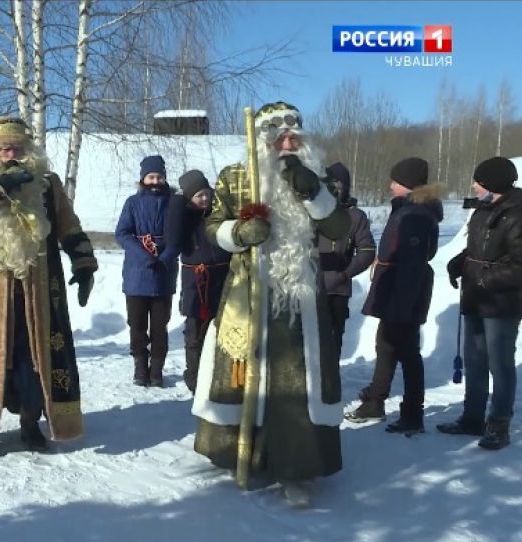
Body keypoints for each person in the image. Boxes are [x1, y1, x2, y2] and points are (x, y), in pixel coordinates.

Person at [191, 101, 348, 507]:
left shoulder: (318, 176)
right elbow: (212, 228)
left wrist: (313, 193)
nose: (289, 140)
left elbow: (338, 227)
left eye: (296, 132)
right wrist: (240, 233)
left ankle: (297, 466)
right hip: (249, 292)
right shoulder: (237, 177)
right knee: (243, 375)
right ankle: (238, 452)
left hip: (300, 298)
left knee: (297, 380)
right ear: (262, 139)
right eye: (280, 134)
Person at [0, 117, 97, 457]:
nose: (10, 152)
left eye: (16, 146)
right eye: (3, 148)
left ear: (27, 148)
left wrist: (84, 263)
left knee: (35, 357)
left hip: (38, 290)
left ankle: (31, 425)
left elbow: (68, 225)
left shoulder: (46, 183)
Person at [349, 157, 442, 433]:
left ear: (408, 184)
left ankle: (411, 412)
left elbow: (412, 263)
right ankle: (376, 401)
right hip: (397, 289)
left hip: (404, 292)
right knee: (387, 346)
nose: (390, 186)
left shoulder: (415, 214)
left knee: (407, 352)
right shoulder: (408, 209)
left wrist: (402, 305)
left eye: (395, 181)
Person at [440, 157, 521, 450]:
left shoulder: (517, 214)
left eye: (480, 181)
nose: (474, 186)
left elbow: (519, 264)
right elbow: (476, 248)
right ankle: (472, 418)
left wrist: (485, 278)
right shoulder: (482, 210)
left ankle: (499, 425)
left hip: (501, 303)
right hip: (475, 298)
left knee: (500, 365)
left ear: (494, 184)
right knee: (474, 362)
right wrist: (459, 262)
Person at [115, 155, 184, 387]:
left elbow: (179, 235)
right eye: (151, 176)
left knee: (159, 326)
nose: (155, 181)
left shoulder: (174, 202)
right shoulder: (132, 203)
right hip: (137, 273)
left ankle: (156, 371)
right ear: (143, 178)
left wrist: (164, 257)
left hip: (164, 273)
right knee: (137, 325)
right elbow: (123, 233)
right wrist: (144, 256)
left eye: (159, 177)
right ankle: (139, 368)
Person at [177, 170, 231, 394]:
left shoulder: (218, 216)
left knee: (220, 330)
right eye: (199, 195)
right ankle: (194, 374)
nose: (205, 199)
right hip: (195, 282)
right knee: (194, 332)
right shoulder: (183, 217)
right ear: (190, 197)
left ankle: (216, 374)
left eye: (207, 194)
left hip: (220, 279)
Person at [318, 162, 376, 362]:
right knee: (308, 340)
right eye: (329, 184)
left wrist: (344, 273)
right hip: (309, 288)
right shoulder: (311, 213)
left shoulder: (355, 217)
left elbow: (367, 251)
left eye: (338, 185)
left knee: (333, 341)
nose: (333, 189)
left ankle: (331, 386)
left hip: (337, 290)